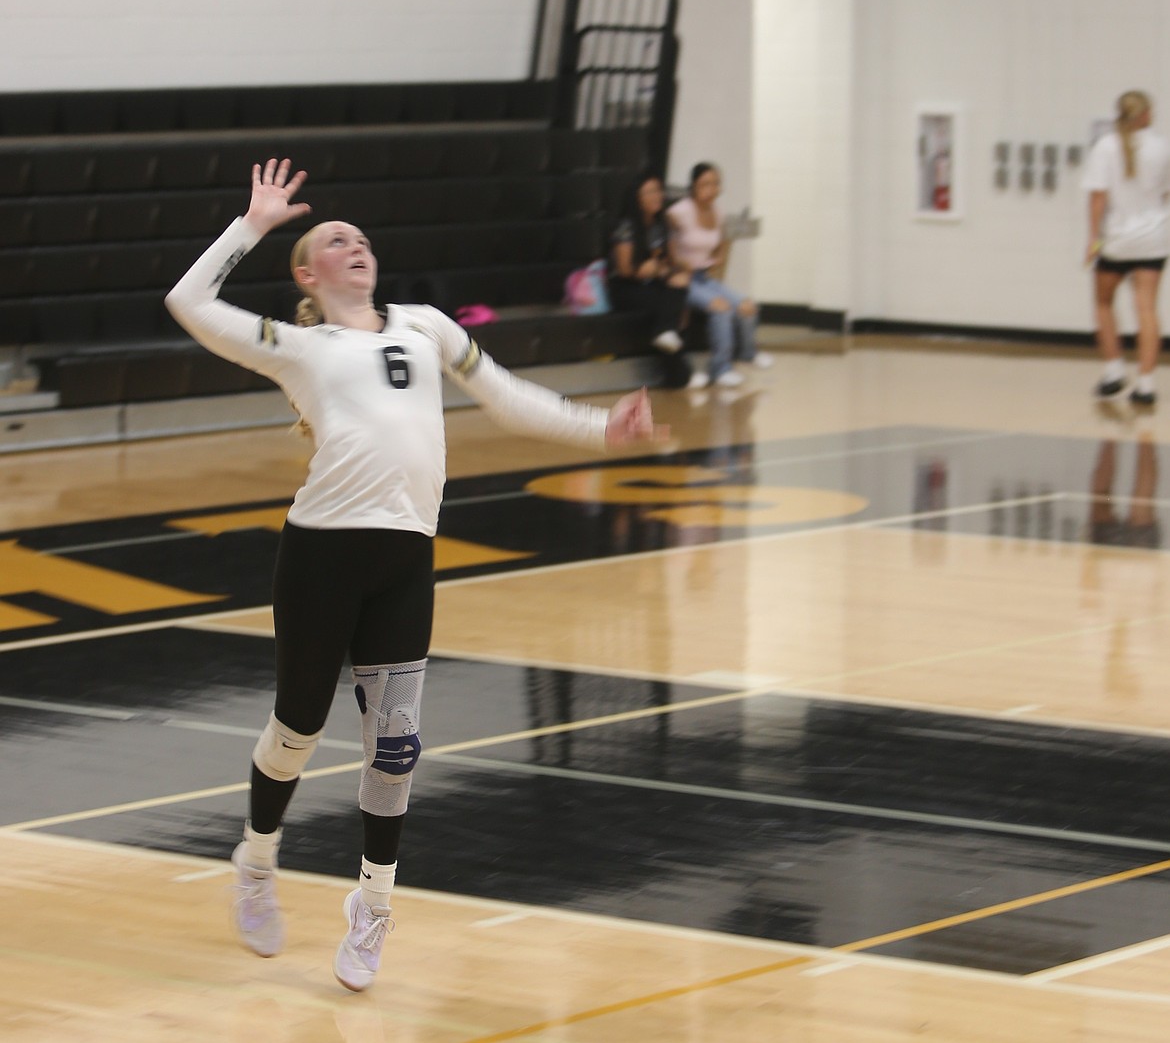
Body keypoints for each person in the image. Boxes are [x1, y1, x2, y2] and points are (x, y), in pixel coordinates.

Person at [165, 159, 666, 992]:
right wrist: (252, 224)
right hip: (321, 555)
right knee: (295, 732)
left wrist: (599, 428)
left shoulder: (427, 325)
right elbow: (188, 303)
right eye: (333, 239)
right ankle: (256, 856)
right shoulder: (298, 346)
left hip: (406, 556)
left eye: (360, 237)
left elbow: (504, 397)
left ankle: (375, 907)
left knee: (394, 748)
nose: (353, 244)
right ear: (307, 271)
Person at [1083, 90, 1170, 407]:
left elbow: (1097, 199)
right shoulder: (1162, 146)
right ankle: (1146, 384)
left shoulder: (1105, 147)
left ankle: (1113, 371)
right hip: (1154, 239)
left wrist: (1094, 241)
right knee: (1146, 309)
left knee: (1104, 302)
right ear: (1146, 114)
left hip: (1117, 240)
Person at [667, 161, 772, 390]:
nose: (711, 189)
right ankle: (720, 368)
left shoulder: (717, 211)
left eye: (715, 184)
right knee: (720, 307)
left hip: (705, 277)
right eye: (705, 184)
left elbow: (718, 247)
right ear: (694, 186)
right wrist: (681, 264)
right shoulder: (678, 212)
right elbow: (670, 251)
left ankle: (747, 353)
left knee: (747, 306)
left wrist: (718, 256)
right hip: (684, 279)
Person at [608, 174, 692, 388]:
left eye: (658, 190)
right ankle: (680, 374)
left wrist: (671, 268)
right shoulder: (626, 226)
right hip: (626, 286)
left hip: (653, 282)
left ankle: (668, 345)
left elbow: (671, 262)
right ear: (637, 197)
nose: (657, 196)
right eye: (651, 192)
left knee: (679, 286)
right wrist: (643, 270)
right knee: (669, 308)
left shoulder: (661, 224)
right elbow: (624, 269)